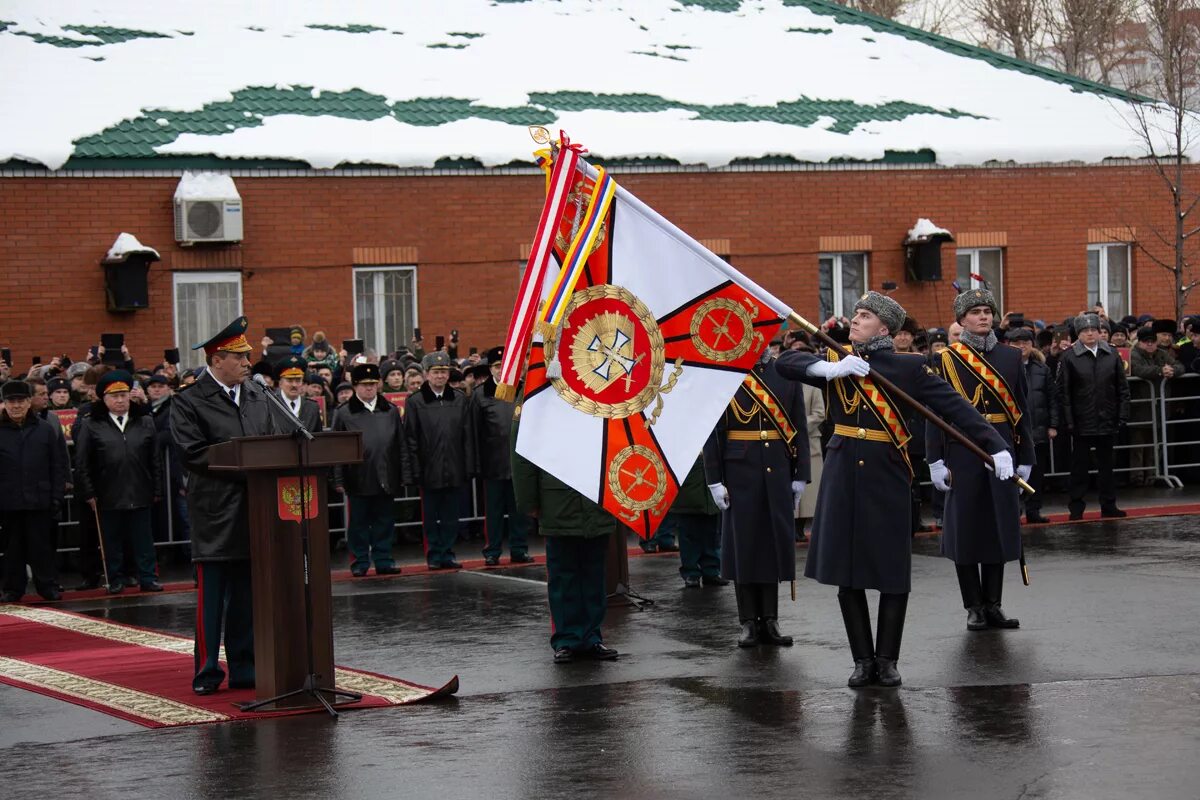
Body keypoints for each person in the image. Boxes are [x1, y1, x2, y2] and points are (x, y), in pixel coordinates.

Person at [777, 292, 1008, 688]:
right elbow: (785, 362)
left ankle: (887, 661)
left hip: (887, 475)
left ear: (885, 328)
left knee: (891, 573)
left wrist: (996, 445)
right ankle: (861, 661)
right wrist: (826, 369)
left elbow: (956, 409)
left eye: (864, 317)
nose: (855, 320)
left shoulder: (909, 367)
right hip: (843, 475)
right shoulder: (836, 359)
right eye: (856, 314)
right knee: (847, 575)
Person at [170, 316, 277, 695]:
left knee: (247, 596)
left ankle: (245, 668)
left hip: (256, 509)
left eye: (248, 356)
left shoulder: (258, 395)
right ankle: (207, 670)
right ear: (217, 360)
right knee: (211, 598)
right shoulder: (188, 401)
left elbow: (273, 440)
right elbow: (192, 453)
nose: (249, 363)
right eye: (240, 356)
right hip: (215, 512)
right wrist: (247, 466)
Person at [928, 289, 1034, 632]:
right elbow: (935, 412)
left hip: (1002, 448)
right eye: (975, 311)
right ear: (961, 320)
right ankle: (973, 606)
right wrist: (935, 460)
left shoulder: (1010, 357)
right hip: (963, 447)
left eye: (988, 310)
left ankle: (994, 604)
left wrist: (1026, 456)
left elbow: (1022, 412)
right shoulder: (946, 359)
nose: (984, 316)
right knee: (966, 530)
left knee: (998, 526)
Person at [704, 349, 810, 648]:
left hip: (777, 467)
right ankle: (748, 621)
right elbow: (713, 431)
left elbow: (798, 425)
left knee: (771, 543)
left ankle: (771, 619)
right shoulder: (728, 374)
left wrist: (800, 472)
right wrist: (714, 479)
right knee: (744, 545)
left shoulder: (784, 372)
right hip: (739, 471)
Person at [512, 408, 619, 664]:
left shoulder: (601, 395)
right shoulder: (539, 400)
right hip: (557, 499)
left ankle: (592, 637)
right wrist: (530, 502)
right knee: (563, 575)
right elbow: (523, 455)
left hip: (597, 497)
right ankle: (567, 639)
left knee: (594, 574)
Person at [73, 370, 164, 594]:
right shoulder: (92, 424)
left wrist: (157, 488)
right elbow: (82, 462)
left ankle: (147, 578)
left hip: (139, 489)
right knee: (111, 541)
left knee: (143, 540)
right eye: (115, 396)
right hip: (107, 492)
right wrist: (89, 493)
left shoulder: (145, 422)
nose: (120, 400)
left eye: (124, 395)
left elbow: (155, 460)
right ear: (104, 399)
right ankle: (115, 579)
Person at [1056, 313, 1130, 520]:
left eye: (1094, 330)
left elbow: (1122, 389)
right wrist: (1069, 421)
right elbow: (1064, 393)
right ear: (1078, 334)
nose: (1090, 333)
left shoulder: (1112, 354)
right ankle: (1076, 508)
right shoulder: (1069, 357)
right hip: (1081, 421)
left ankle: (1109, 505)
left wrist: (1121, 416)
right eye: (1085, 331)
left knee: (1107, 467)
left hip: (1107, 419)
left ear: (1100, 332)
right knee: (1079, 468)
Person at [331, 363, 403, 577]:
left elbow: (400, 443)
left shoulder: (389, 410)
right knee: (359, 524)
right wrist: (338, 479)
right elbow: (336, 447)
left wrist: (403, 474)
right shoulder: (344, 413)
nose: (369, 389)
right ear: (355, 387)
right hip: (358, 476)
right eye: (364, 385)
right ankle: (360, 561)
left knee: (384, 522)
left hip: (385, 474)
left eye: (372, 384)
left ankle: (383, 559)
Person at [402, 351, 472, 569]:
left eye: (444, 372)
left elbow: (467, 436)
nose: (440, 376)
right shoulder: (415, 401)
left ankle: (448, 552)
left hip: (454, 466)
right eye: (436, 372)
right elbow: (410, 438)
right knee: (431, 516)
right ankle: (434, 554)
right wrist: (414, 469)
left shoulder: (459, 399)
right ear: (426, 374)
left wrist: (468, 466)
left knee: (452, 515)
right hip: (428, 468)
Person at [0, 380, 69, 602]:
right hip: (8, 501)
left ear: (30, 402)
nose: (16, 406)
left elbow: (57, 464)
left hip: (40, 499)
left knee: (42, 547)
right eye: (11, 402)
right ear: (4, 404)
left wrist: (57, 496)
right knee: (12, 549)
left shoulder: (45, 430)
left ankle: (47, 586)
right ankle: (12, 589)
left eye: (20, 401)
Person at [468, 347, 532, 566]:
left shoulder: (523, 389)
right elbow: (473, 432)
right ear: (491, 369)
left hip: (519, 462)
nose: (500, 370)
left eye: (504, 365)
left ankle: (519, 549)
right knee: (493, 512)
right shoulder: (480, 394)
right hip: (492, 463)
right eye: (496, 366)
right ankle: (492, 551)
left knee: (519, 511)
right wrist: (475, 463)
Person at [1006, 327, 1057, 523]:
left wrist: (1053, 425)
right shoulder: (1004, 368)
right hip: (1014, 430)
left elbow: (1052, 399)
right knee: (1015, 472)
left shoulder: (1042, 369)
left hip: (1038, 428)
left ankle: (1034, 509)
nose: (1021, 346)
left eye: (1025, 342)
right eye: (1016, 343)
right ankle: (1015, 509)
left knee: (1036, 473)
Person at [667, 453, 725, 588]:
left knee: (711, 533)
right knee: (688, 533)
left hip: (710, 477)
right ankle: (691, 572)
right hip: (689, 478)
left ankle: (711, 571)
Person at [271, 355, 323, 433]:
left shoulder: (312, 407)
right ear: (280, 383)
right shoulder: (271, 405)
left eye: (298, 380)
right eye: (289, 380)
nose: (294, 385)